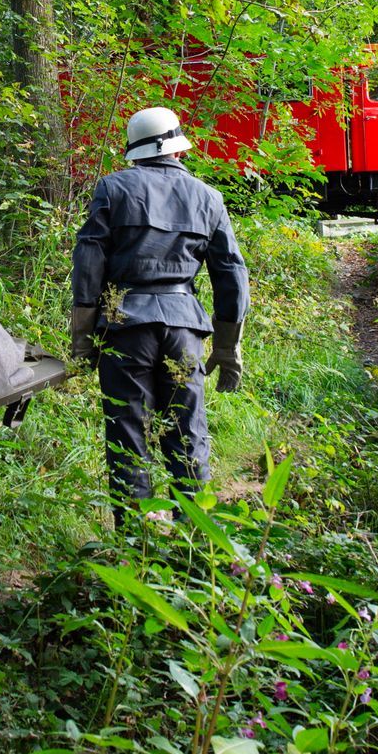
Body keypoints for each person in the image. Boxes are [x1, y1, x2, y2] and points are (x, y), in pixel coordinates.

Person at [69, 106, 250, 520]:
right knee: (188, 432)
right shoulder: (209, 197)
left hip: (125, 328)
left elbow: (88, 263)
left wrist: (83, 337)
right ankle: (193, 535)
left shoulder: (113, 188)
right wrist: (227, 346)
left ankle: (135, 539)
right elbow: (231, 274)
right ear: (178, 150)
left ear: (135, 150)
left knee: (127, 431)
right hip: (184, 330)